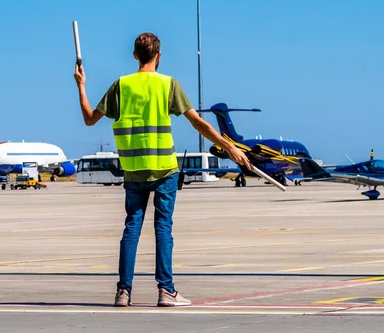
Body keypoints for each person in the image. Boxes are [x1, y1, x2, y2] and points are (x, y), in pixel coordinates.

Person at [74, 32, 251, 307]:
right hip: (165, 170)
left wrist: (81, 86)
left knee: (131, 228)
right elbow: (199, 124)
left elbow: (88, 119)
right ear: (159, 55)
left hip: (133, 171)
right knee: (162, 229)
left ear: (134, 55)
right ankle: (166, 290)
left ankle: (123, 292)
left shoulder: (121, 86)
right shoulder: (168, 84)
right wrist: (229, 147)